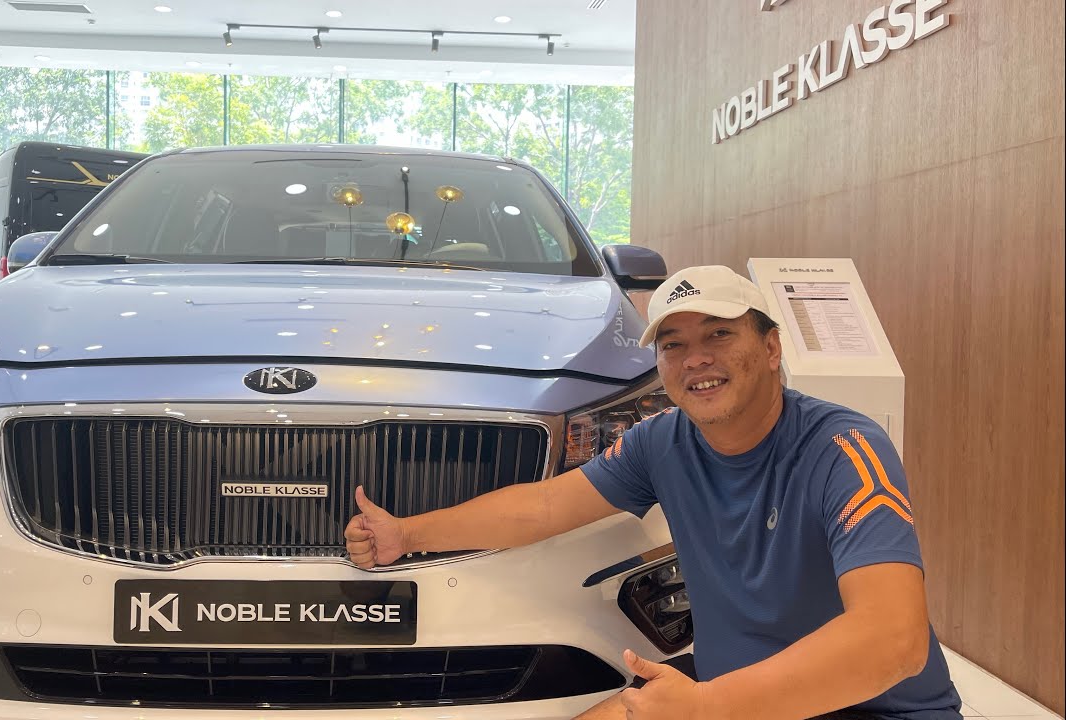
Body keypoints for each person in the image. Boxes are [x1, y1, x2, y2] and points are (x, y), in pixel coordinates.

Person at [344, 265, 961, 720]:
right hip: (725, 693)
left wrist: (709, 707)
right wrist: (407, 533)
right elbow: (544, 506)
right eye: (674, 345)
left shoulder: (844, 448)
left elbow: (895, 640)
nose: (696, 359)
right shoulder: (662, 441)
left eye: (719, 335)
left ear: (771, 348)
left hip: (867, 708)